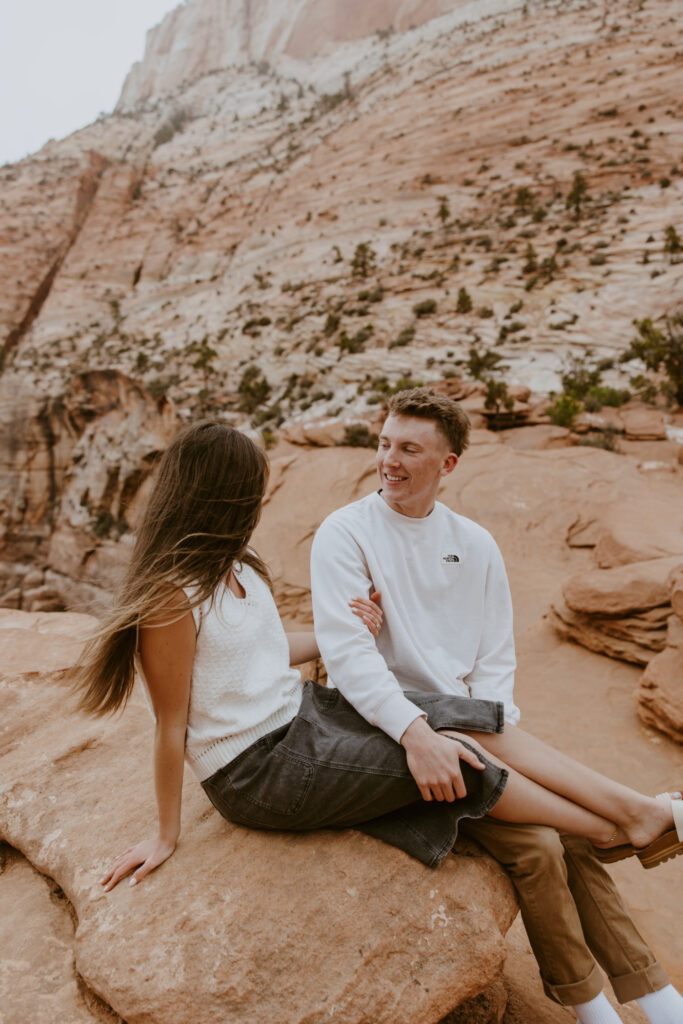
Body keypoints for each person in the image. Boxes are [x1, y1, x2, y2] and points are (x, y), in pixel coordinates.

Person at [74, 420, 682, 1024]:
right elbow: (169, 723)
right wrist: (165, 833)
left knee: (452, 715)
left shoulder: (239, 563)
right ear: (216, 495)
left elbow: (256, 652)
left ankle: (636, 815)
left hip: (305, 718)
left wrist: (343, 634)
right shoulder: (169, 596)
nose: (258, 503)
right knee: (452, 758)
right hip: (257, 768)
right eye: (250, 491)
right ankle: (608, 830)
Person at [309, 387, 683, 1024]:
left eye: (409, 449)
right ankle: (612, 993)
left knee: (549, 836)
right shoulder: (345, 533)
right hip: (395, 733)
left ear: (448, 463)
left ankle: (649, 996)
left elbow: (495, 653)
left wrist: (493, 721)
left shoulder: (474, 542)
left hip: (474, 729)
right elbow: (349, 659)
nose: (389, 460)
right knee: (546, 843)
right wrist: (421, 728)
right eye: (384, 443)